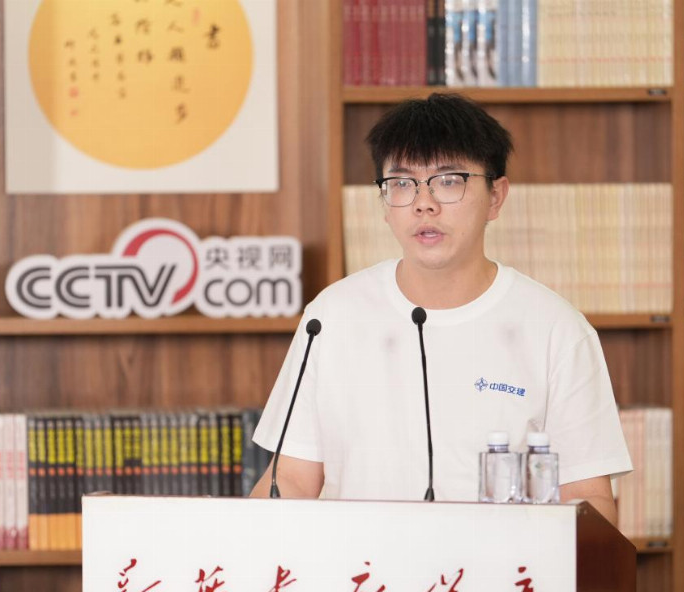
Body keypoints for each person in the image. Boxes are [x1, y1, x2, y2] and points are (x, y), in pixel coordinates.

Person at [250, 93, 631, 525]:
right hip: (360, 567)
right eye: (401, 184)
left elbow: (588, 499)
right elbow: (291, 480)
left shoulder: (556, 329)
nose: (423, 203)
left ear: (495, 197)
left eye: (448, 181)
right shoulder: (330, 317)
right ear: (384, 202)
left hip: (499, 567)